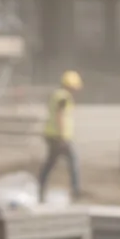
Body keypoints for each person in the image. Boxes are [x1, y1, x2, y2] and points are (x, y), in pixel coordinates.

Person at [37, 70, 82, 202]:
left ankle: (40, 188)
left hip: (52, 135)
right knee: (73, 161)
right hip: (59, 137)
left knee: (50, 163)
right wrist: (62, 136)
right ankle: (75, 191)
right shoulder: (63, 97)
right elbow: (60, 115)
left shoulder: (58, 95)